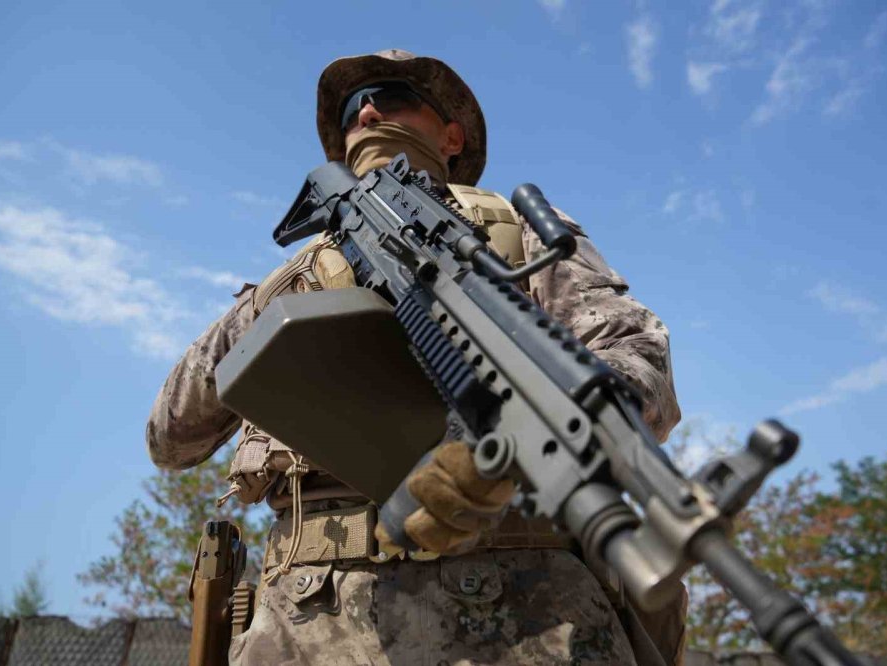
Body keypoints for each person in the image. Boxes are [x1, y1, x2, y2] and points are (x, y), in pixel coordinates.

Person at [147, 49, 685, 665]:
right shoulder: (294, 278)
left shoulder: (515, 232)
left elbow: (641, 362)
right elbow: (171, 437)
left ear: (451, 134)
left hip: (529, 616)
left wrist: (513, 443)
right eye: (352, 108)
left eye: (393, 97)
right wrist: (270, 302)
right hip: (306, 622)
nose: (368, 111)